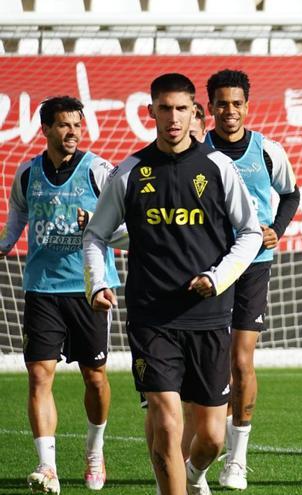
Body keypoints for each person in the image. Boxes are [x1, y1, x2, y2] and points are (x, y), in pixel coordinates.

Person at [83, 73, 262, 495]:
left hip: (209, 317)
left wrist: (217, 278)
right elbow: (96, 234)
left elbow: (251, 233)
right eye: (164, 109)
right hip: (151, 316)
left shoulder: (218, 168)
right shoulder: (130, 172)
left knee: (213, 436)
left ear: (195, 113)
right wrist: (97, 282)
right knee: (165, 421)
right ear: (151, 112)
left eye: (182, 109)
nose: (173, 117)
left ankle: (196, 475)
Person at [0, 96, 121, 494]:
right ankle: (47, 467)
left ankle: (94, 451)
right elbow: (19, 210)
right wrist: (6, 242)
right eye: (65, 125)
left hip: (88, 289)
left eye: (78, 125)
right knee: (38, 375)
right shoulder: (28, 172)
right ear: (46, 129)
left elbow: (129, 222)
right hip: (41, 289)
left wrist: (98, 223)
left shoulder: (99, 171)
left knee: (95, 378)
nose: (73, 132)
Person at [204, 69, 300, 490]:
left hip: (254, 264)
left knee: (241, 360)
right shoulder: (196, 152)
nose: (229, 110)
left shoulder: (268, 151)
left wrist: (276, 227)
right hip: (207, 267)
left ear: (247, 105)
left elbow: (292, 193)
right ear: (209, 108)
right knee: (212, 361)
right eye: (221, 103)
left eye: (236, 102)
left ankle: (237, 460)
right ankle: (205, 447)